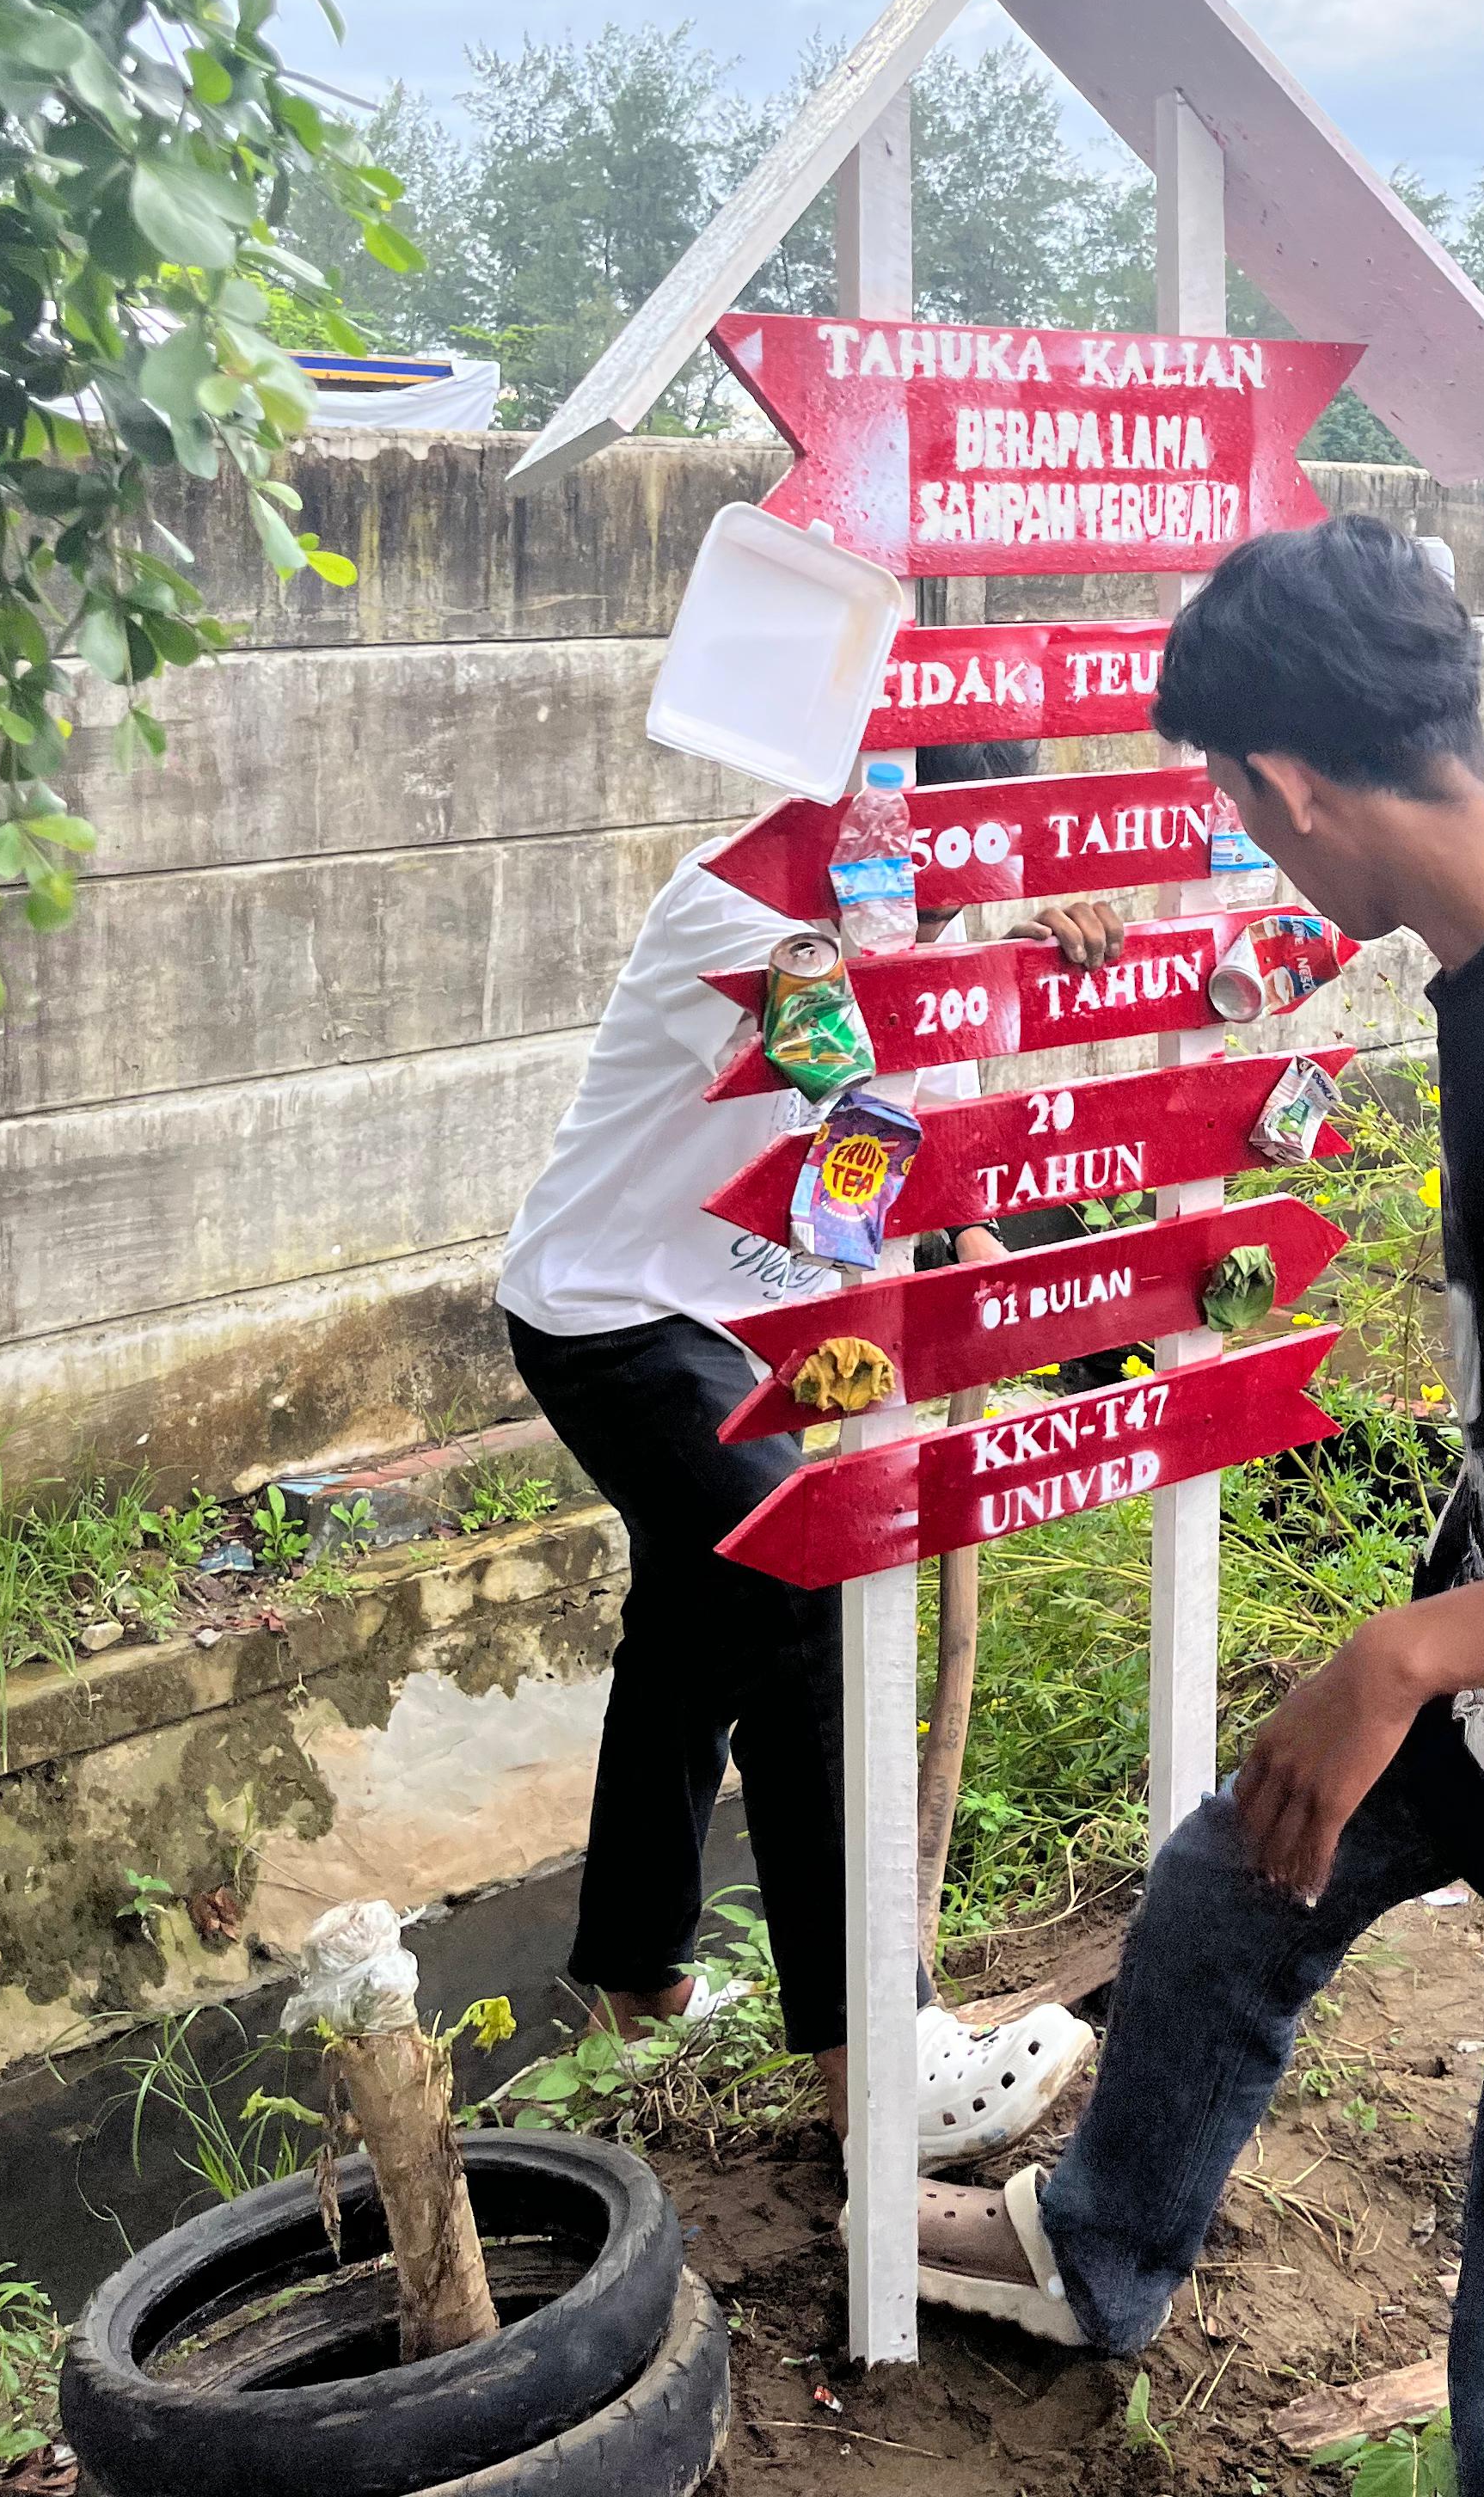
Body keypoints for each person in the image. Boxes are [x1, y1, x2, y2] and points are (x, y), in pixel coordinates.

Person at [909, 521, 1484, 2497]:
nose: (1253, 851)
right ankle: (1098, 2254)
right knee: (1229, 1883)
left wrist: (1413, 1649)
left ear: (1292, 788)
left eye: (1233, 810)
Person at [500, 739, 1119, 2159]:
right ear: (870, 827)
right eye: (952, 847)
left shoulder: (942, 941)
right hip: (615, 1314)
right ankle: (875, 2072)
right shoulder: (737, 914)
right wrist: (997, 962)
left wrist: (980, 1238)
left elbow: (920, 1152)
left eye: (994, 849)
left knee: (692, 1622)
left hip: (746, 1335)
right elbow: (845, 1044)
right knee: (809, 1592)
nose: (981, 876)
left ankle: (636, 1976)